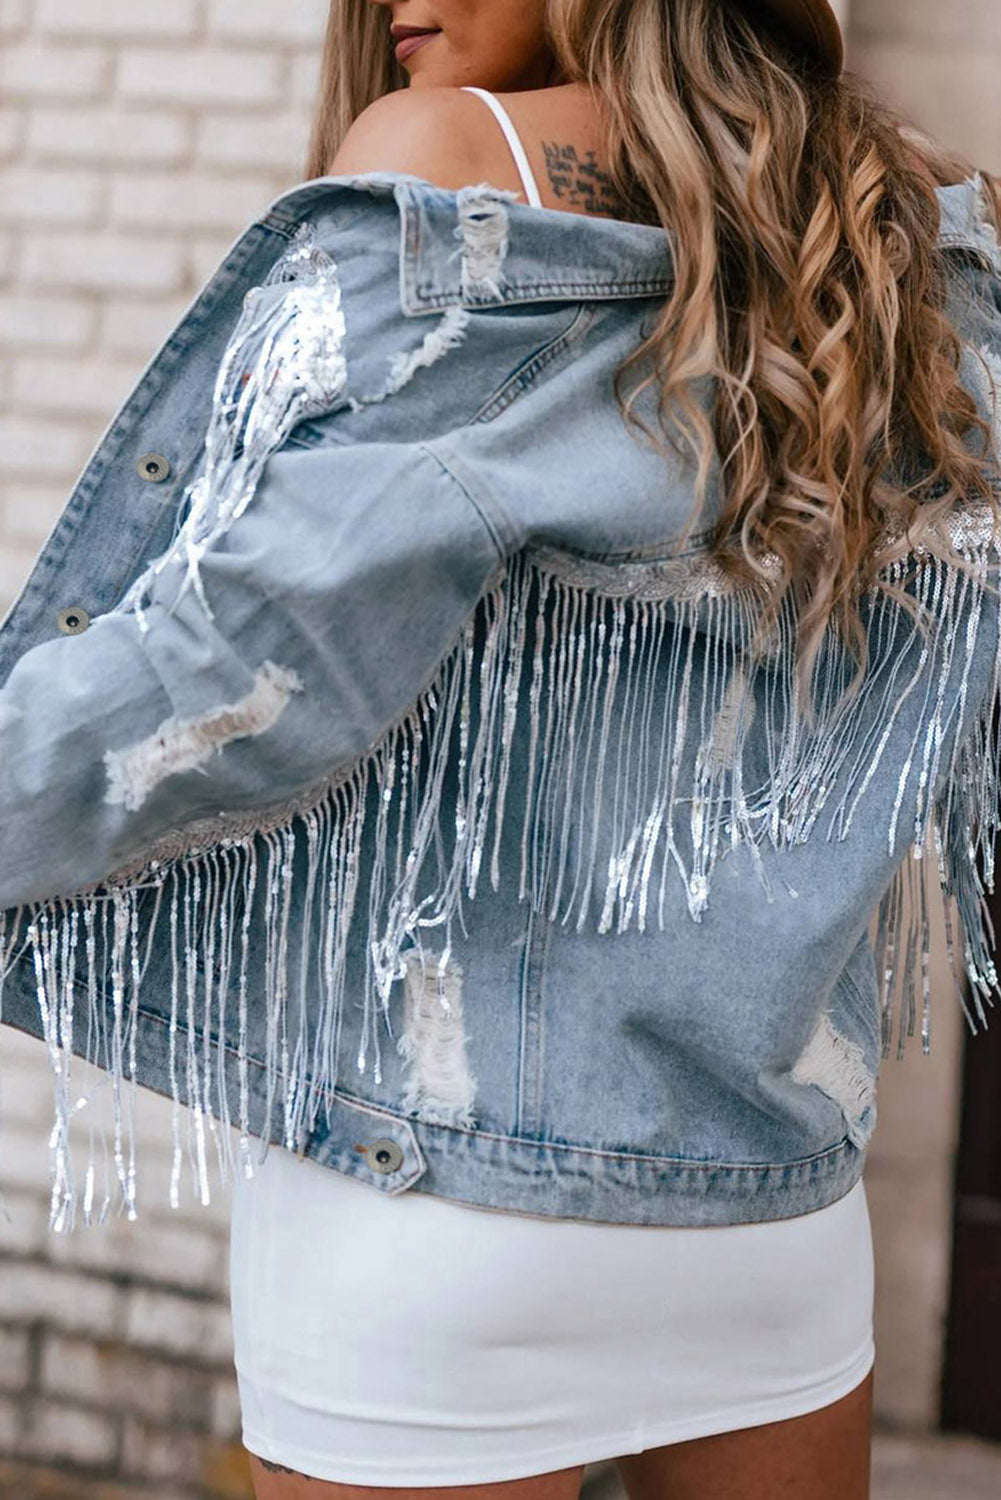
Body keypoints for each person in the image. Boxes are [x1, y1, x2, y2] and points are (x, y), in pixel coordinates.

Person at [1, 1, 1001, 1497]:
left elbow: (237, 668)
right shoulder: (904, 209)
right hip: (778, 1220)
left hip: (447, 1219)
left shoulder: (457, 160)